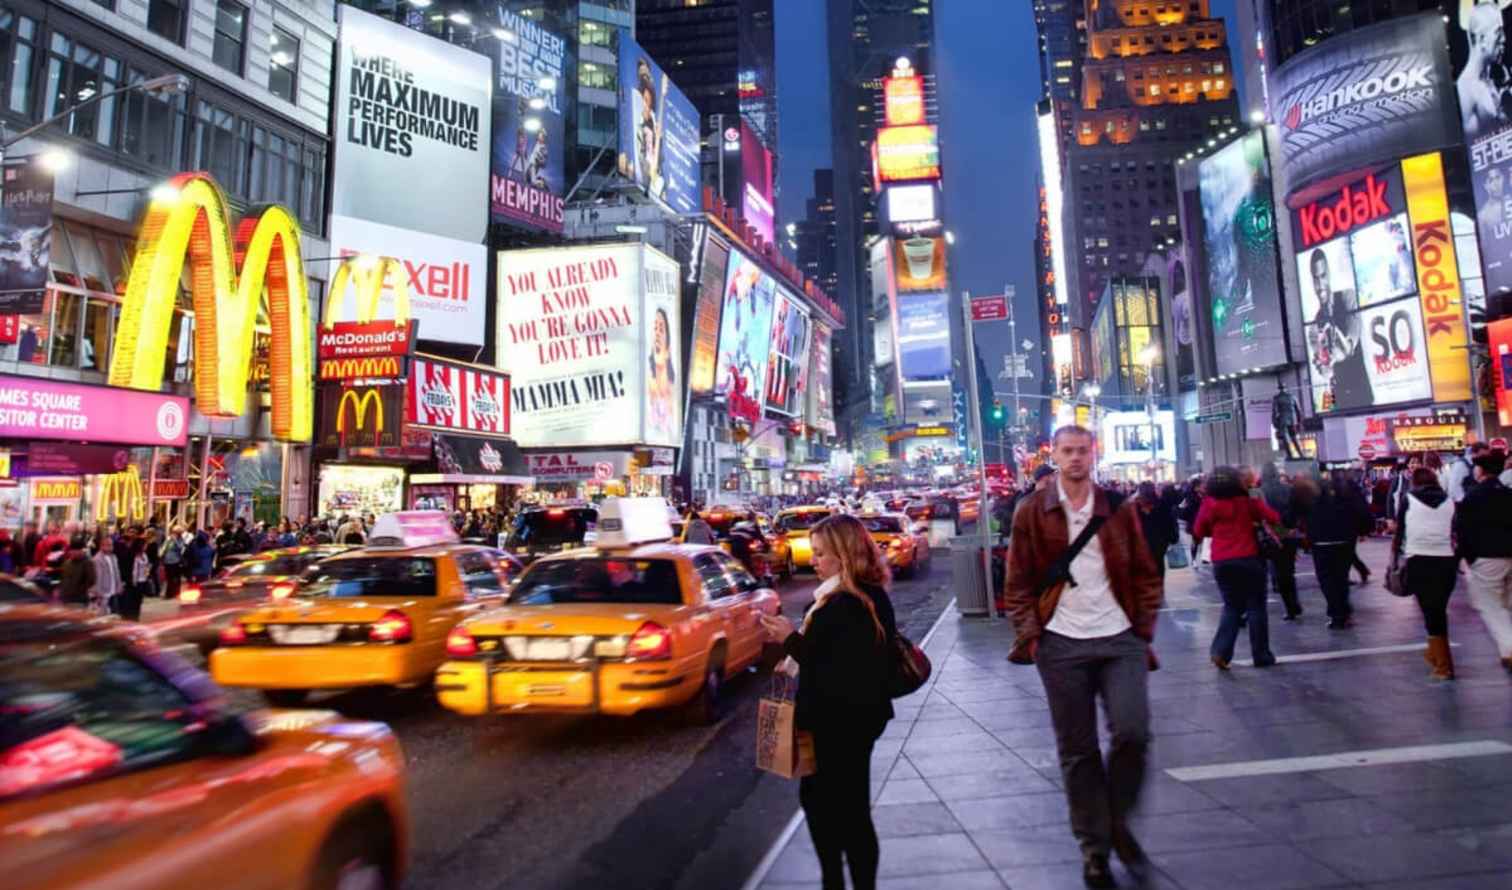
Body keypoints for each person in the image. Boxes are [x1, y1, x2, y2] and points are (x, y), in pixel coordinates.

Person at [1004, 426, 1162, 889]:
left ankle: (1116, 820)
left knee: (1133, 733)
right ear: (1054, 455)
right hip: (1061, 642)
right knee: (1078, 752)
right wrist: (1032, 635)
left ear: (1094, 454)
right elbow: (1017, 582)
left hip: (1120, 637)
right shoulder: (1032, 510)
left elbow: (1144, 570)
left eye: (1082, 451)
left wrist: (1143, 628)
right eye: (1066, 451)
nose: (1075, 458)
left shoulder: (1116, 506)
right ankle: (1095, 849)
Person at [759, 514, 896, 890]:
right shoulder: (841, 597)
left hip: (844, 724)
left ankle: (850, 883)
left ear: (844, 554)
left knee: (847, 812)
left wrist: (790, 638)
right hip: (829, 721)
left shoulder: (852, 602)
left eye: (820, 554)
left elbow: (841, 668)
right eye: (813, 553)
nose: (812, 560)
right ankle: (833, 879)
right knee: (820, 805)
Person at [1193, 466, 1281, 670]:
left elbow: (1199, 530)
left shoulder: (1209, 503)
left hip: (1222, 562)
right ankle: (1261, 655)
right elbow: (1273, 517)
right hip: (1249, 559)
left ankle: (1220, 652)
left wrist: (1215, 529)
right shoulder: (1248, 501)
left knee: (1231, 606)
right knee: (1256, 606)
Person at [1393, 467, 1458, 681]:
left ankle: (1442, 665)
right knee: (1438, 609)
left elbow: (1399, 530)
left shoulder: (1409, 499)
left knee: (1430, 611)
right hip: (1446, 560)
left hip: (1419, 560)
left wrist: (1395, 557)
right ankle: (1438, 657)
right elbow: (1456, 529)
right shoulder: (1449, 500)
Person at [1454, 450, 1512, 675]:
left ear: (1480, 470)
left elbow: (1462, 530)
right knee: (1508, 603)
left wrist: (1466, 558)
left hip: (1486, 558)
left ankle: (1508, 649)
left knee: (1490, 605)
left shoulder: (1473, 496)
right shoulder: (1508, 494)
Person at [1297, 470, 1372, 629]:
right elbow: (1362, 510)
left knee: (1326, 579)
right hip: (1345, 539)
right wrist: (1364, 530)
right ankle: (1343, 611)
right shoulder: (1348, 488)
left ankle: (1337, 613)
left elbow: (1295, 514)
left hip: (1320, 541)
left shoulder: (1309, 491)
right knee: (1341, 577)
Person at [1134, 482, 1177, 579]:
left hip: (1140, 544)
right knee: (1158, 565)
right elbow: (1169, 523)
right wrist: (1172, 538)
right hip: (1159, 544)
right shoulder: (1162, 504)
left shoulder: (1135, 507)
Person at [55, 534, 96, 608]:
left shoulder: (87, 563)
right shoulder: (66, 563)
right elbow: (62, 579)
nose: (73, 552)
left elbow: (91, 581)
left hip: (80, 600)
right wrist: (59, 590)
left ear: (81, 550)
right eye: (72, 550)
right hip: (66, 599)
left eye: (76, 550)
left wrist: (81, 591)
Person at [90, 535, 123, 617]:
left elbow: (117, 572)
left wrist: (119, 585)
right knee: (103, 617)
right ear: (101, 546)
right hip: (103, 593)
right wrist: (98, 593)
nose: (111, 547)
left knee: (114, 615)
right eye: (108, 545)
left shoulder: (113, 557)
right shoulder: (97, 559)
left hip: (113, 591)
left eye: (111, 545)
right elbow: (97, 577)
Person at [161, 523, 186, 600]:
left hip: (176, 561)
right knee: (169, 578)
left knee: (176, 578)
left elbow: (180, 548)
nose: (173, 534)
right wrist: (162, 555)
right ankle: (169, 593)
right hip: (168, 561)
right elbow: (164, 548)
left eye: (175, 533)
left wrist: (175, 540)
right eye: (173, 532)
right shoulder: (169, 539)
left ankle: (176, 593)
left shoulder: (181, 540)